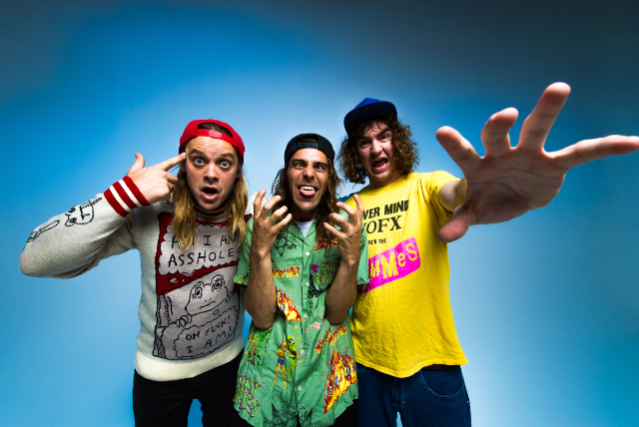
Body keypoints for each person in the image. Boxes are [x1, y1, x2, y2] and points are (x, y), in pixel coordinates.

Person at [337, 83, 639, 427]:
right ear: (356, 152)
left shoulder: (426, 184)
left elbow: (455, 193)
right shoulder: (347, 208)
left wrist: (481, 188)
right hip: (365, 365)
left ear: (398, 141)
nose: (376, 148)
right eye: (365, 142)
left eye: (384, 137)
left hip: (432, 364)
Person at [20, 119, 251, 427]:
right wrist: (124, 195)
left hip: (229, 365)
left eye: (224, 163)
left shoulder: (250, 217)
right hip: (160, 377)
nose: (211, 173)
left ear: (237, 173)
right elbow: (32, 261)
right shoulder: (149, 213)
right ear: (183, 166)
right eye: (199, 160)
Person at [231, 134, 369, 427]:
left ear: (330, 178)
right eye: (299, 164)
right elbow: (262, 317)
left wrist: (350, 259)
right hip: (266, 388)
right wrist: (260, 250)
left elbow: (336, 314)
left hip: (329, 391)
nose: (309, 173)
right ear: (286, 174)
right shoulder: (259, 225)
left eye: (319, 166)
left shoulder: (348, 228)